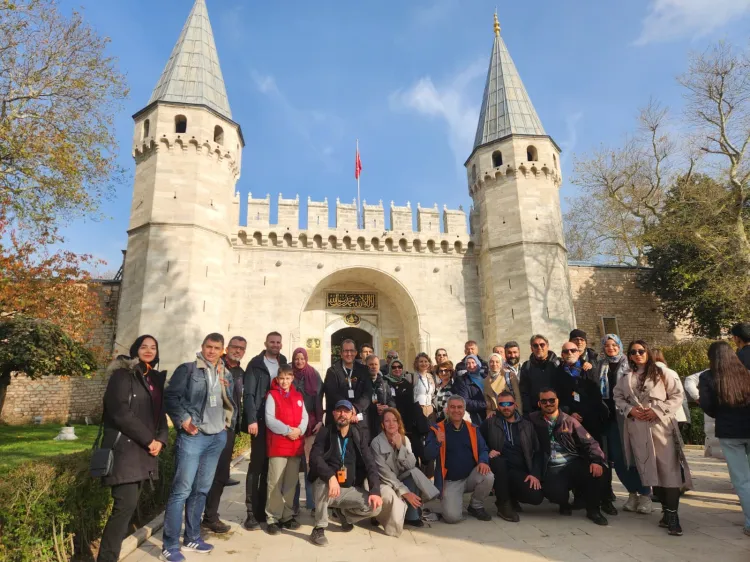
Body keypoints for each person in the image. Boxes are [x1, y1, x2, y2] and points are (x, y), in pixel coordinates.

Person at [162, 334, 233, 561]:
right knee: (181, 490)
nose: (212, 351)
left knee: (201, 489)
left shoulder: (225, 373)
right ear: (202, 347)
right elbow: (170, 397)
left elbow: (228, 400)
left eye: (216, 348)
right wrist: (183, 419)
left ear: (222, 350)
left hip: (216, 438)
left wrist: (226, 423)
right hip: (193, 437)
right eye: (208, 347)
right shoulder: (188, 370)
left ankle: (192, 537)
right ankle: (170, 545)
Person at [97, 336, 168, 562]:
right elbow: (119, 412)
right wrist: (149, 439)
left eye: (153, 347)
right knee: (123, 508)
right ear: (135, 349)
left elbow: (161, 415)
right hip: (125, 451)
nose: (148, 350)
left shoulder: (153, 379)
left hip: (144, 453)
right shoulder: (122, 375)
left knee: (127, 508)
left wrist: (161, 440)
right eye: (143, 346)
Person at [614, 340, 693, 536]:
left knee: (669, 470)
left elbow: (677, 395)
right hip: (638, 429)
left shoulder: (662, 373)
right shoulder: (626, 377)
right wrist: (630, 409)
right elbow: (618, 397)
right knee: (651, 471)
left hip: (661, 427)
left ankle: (673, 516)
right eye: (633, 352)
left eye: (641, 351)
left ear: (647, 352)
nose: (637, 354)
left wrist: (658, 410)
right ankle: (666, 512)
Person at [307, 400, 383, 547]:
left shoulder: (358, 435)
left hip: (347, 489)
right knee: (322, 482)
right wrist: (330, 476)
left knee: (376, 507)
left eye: (346, 411)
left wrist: (375, 491)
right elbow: (315, 458)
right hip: (327, 489)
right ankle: (319, 528)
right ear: (333, 413)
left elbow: (370, 464)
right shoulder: (325, 432)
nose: (342, 414)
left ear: (352, 414)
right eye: (339, 411)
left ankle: (344, 515)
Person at [530, 388, 609, 526]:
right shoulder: (533, 419)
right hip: (551, 466)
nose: (548, 404)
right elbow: (514, 418)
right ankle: (563, 502)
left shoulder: (569, 421)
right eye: (544, 401)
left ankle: (594, 510)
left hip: (572, 462)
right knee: (554, 493)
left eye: (551, 400)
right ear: (539, 403)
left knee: (599, 470)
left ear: (557, 401)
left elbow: (590, 442)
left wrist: (596, 460)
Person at [698, 341, 750, 537]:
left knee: (742, 480)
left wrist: (720, 414)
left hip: (729, 431)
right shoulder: (746, 374)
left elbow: (707, 405)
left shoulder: (708, 377)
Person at [595, 334, 651, 514]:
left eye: (614, 345)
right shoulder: (599, 366)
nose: (611, 348)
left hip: (630, 417)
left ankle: (645, 494)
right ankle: (632, 492)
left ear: (619, 346)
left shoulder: (630, 364)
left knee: (636, 457)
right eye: (607, 345)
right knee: (619, 459)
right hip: (610, 419)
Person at [243, 332, 289, 530]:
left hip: (277, 422)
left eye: (278, 342)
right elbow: (249, 394)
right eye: (272, 342)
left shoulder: (283, 361)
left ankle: (264, 509)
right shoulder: (255, 364)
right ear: (266, 343)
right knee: (256, 466)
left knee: (270, 467)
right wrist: (252, 419)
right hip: (260, 422)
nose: (275, 345)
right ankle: (251, 512)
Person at [423, 395, 494, 523]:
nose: (456, 410)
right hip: (450, 481)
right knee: (452, 518)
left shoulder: (472, 428)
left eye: (459, 407)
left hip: (471, 477)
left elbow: (483, 449)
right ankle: (450, 504)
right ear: (447, 409)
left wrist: (483, 461)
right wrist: (437, 442)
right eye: (453, 407)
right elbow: (427, 456)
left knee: (488, 476)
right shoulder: (437, 429)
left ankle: (476, 506)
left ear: (464, 410)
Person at [371, 408, 440, 535]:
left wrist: (400, 447)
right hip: (384, 481)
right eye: (387, 421)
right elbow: (384, 473)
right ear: (382, 424)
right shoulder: (376, 443)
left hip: (401, 477)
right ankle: (380, 516)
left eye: (394, 420)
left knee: (414, 473)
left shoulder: (405, 440)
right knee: (390, 495)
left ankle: (412, 515)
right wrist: (405, 492)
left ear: (399, 423)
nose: (391, 424)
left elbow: (411, 464)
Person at [202, 336, 246, 533]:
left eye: (241, 349)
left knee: (220, 475)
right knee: (203, 474)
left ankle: (210, 516)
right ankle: (194, 518)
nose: (238, 351)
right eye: (235, 347)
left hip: (228, 429)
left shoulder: (240, 372)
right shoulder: (215, 367)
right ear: (226, 348)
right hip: (209, 427)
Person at [480, 391, 543, 522]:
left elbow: (538, 451)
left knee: (536, 497)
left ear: (515, 405)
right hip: (499, 469)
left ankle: (512, 497)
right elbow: (478, 444)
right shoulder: (490, 423)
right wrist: (488, 451)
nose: (506, 407)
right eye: (502, 404)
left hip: (519, 470)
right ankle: (503, 504)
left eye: (509, 404)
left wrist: (534, 474)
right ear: (498, 406)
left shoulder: (527, 425)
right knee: (499, 462)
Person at [264, 364, 308, 534]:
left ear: (292, 379)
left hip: (295, 445)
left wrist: (300, 430)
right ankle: (273, 517)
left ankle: (287, 516)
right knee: (275, 483)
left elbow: (304, 417)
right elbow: (270, 419)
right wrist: (289, 430)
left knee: (291, 483)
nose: (284, 381)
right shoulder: (272, 395)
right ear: (277, 379)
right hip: (279, 444)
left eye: (288, 378)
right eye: (281, 378)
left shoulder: (298, 396)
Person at [291, 347, 323, 515]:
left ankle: (312, 503)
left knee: (310, 465)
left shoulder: (313, 374)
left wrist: (319, 420)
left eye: (302, 358)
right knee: (293, 466)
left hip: (310, 425)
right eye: (297, 358)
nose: (299, 361)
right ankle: (293, 504)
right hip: (292, 424)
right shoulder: (289, 373)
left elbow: (319, 398)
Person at [322, 338, 369, 427]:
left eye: (351, 351)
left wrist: (356, 408)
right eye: (346, 351)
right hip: (339, 419)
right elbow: (331, 393)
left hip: (359, 419)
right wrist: (348, 408)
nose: (349, 354)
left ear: (356, 352)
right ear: (341, 353)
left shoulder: (364, 370)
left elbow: (367, 394)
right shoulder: (332, 371)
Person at [520, 335, 560, 414]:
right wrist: (529, 412)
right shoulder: (526, 366)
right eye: (535, 345)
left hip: (557, 412)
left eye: (542, 345)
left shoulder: (558, 364)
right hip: (536, 412)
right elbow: (524, 392)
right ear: (532, 349)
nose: (539, 347)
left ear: (547, 346)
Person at [361, 354, 396, 439]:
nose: (373, 367)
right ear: (365, 366)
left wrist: (387, 407)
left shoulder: (384, 383)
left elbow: (391, 400)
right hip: (366, 424)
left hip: (381, 425)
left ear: (379, 366)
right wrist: (374, 407)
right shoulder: (360, 382)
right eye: (371, 364)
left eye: (376, 364)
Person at [382, 359, 416, 438]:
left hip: (406, 419)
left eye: (399, 367)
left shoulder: (406, 382)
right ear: (390, 369)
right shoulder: (385, 382)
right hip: (392, 418)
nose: (397, 369)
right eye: (394, 367)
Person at [484, 352, 521, 418]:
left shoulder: (509, 375)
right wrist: (489, 413)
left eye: (497, 362)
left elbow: (517, 396)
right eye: (491, 362)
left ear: (501, 364)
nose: (494, 364)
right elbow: (488, 402)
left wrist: (519, 414)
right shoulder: (486, 381)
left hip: (510, 412)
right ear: (488, 364)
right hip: (496, 415)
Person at [453, 354, 488, 424]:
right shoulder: (463, 381)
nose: (471, 365)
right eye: (468, 363)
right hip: (476, 416)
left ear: (478, 363)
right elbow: (464, 401)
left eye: (473, 362)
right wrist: (484, 404)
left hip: (489, 412)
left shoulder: (486, 377)